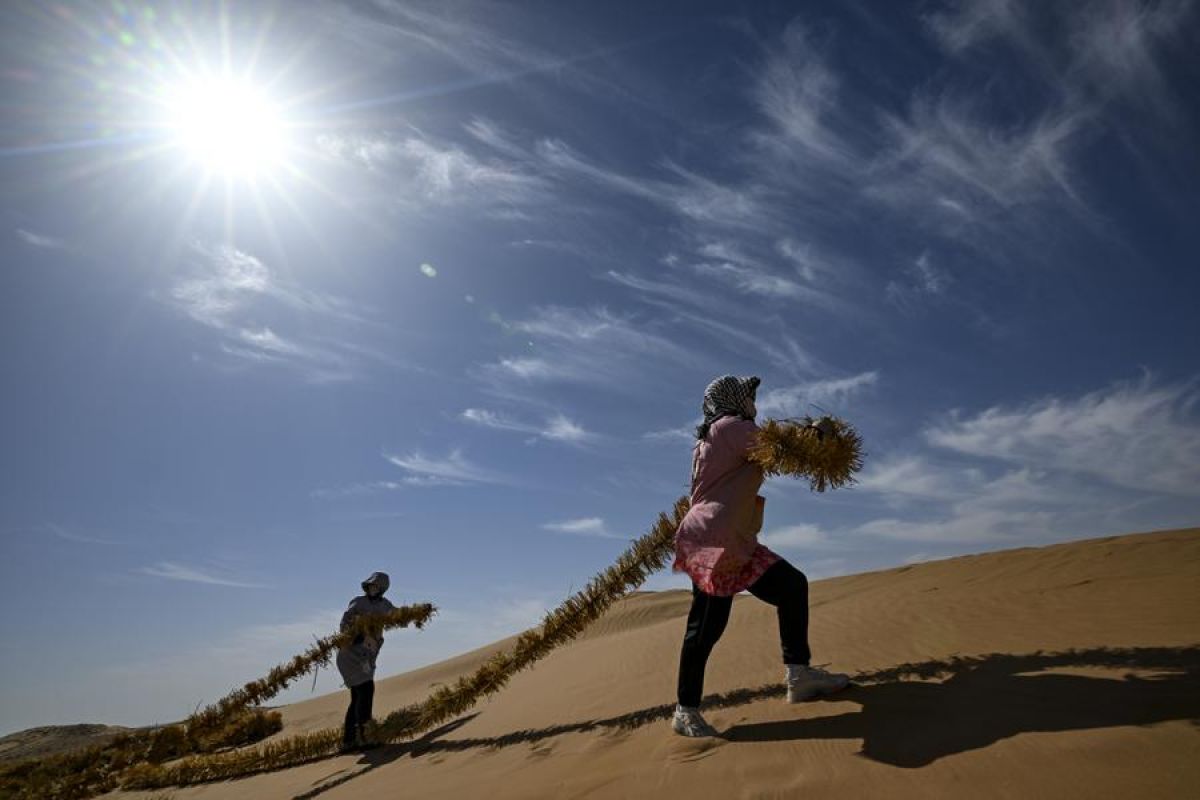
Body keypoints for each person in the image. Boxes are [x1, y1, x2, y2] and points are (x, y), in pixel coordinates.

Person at [671, 375, 849, 738]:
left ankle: (798, 674)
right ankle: (685, 710)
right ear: (733, 398)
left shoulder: (714, 434)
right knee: (706, 628)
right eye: (749, 394)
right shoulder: (730, 427)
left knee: (791, 586)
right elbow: (778, 446)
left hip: (735, 539)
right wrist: (815, 434)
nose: (753, 401)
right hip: (714, 541)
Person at [336, 571, 396, 750]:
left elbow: (398, 615)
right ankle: (365, 736)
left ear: (383, 589)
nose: (373, 589)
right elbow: (344, 624)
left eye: (377, 586)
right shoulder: (358, 602)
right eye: (371, 585)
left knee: (357, 697)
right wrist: (358, 636)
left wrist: (418, 611)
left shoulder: (385, 605)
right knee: (366, 691)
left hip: (366, 657)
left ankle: (349, 740)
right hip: (350, 654)